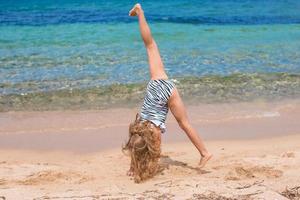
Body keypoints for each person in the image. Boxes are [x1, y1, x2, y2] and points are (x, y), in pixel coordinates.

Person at [123, 3, 212, 183]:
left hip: (166, 92)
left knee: (184, 124)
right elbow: (135, 147)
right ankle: (140, 12)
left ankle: (206, 153)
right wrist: (134, 168)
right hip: (158, 82)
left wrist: (136, 170)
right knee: (150, 45)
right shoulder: (138, 128)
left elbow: (152, 155)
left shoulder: (152, 135)